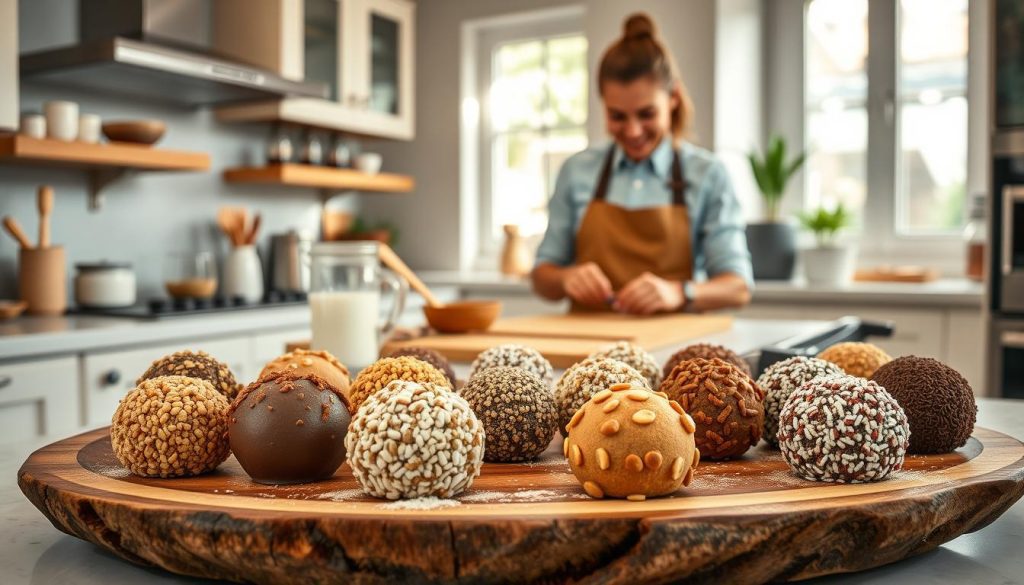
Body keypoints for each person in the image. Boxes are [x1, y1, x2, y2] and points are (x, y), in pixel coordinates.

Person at [531, 13, 752, 315]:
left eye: (646, 114)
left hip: (673, 347)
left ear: (672, 98)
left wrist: (680, 291)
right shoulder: (576, 171)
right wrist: (566, 277)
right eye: (617, 116)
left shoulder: (708, 173)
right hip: (586, 349)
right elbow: (542, 276)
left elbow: (738, 287)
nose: (633, 131)